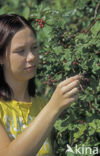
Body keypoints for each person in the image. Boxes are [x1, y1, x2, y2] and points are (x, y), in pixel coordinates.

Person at [0, 14, 82, 156]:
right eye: (20, 51)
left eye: (34, 47)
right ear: (1, 57)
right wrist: (53, 107)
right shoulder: (49, 108)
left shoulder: (42, 105)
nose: (31, 56)